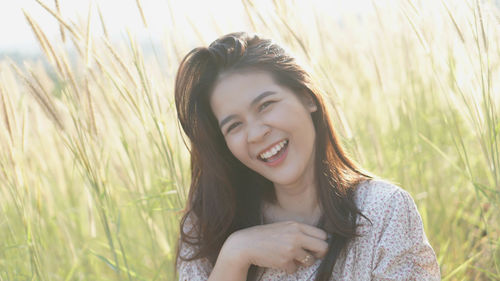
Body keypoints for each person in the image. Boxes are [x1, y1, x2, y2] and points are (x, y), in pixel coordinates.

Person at [174, 32, 440, 281]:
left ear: (307, 97)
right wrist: (235, 256)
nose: (255, 134)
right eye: (234, 126)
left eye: (265, 105)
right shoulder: (208, 227)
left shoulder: (384, 211)